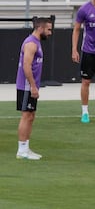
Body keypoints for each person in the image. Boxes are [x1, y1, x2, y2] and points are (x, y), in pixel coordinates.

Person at [16, 17, 53, 160]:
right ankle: (21, 150)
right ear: (40, 28)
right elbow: (26, 66)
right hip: (26, 86)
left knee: (31, 116)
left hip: (30, 86)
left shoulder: (36, 42)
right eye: (48, 29)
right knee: (26, 116)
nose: (50, 32)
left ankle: (25, 148)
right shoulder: (31, 43)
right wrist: (32, 86)